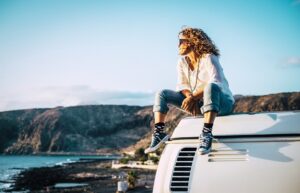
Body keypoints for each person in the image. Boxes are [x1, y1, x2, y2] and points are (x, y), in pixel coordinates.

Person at [144, 27, 235, 155]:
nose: (178, 45)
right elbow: (182, 85)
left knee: (210, 86)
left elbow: (216, 81)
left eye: (181, 41)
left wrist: (193, 98)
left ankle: (206, 134)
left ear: (193, 41)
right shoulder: (182, 62)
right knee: (162, 93)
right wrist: (189, 97)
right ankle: (159, 133)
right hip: (199, 104)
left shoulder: (209, 57)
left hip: (222, 104)